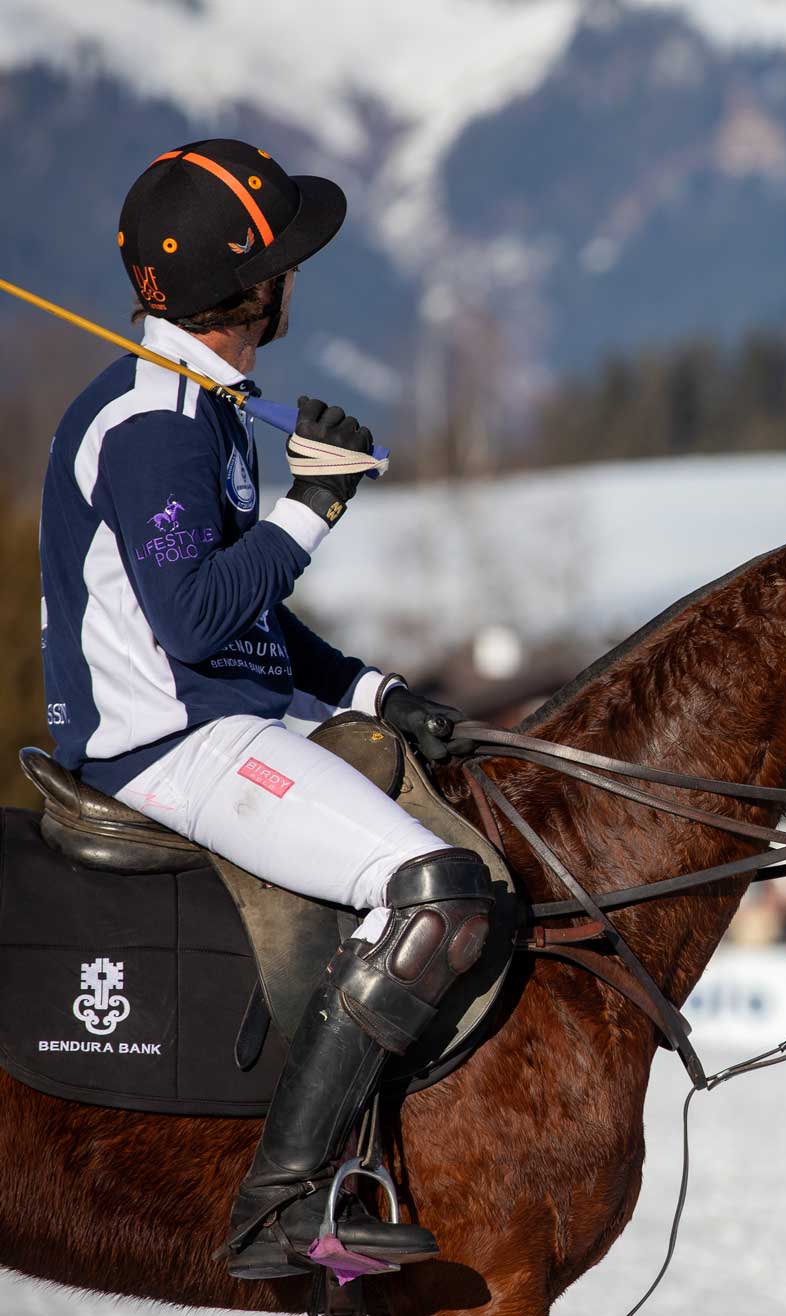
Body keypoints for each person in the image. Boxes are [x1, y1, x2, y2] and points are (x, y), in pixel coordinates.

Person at [38, 140, 494, 1280]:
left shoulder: (202, 406)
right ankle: (282, 1203)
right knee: (432, 888)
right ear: (248, 287)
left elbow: (242, 621)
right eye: (287, 260)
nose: (298, 278)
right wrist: (315, 510)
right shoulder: (152, 423)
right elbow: (195, 620)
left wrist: (368, 687)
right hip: (170, 745)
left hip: (221, 719)